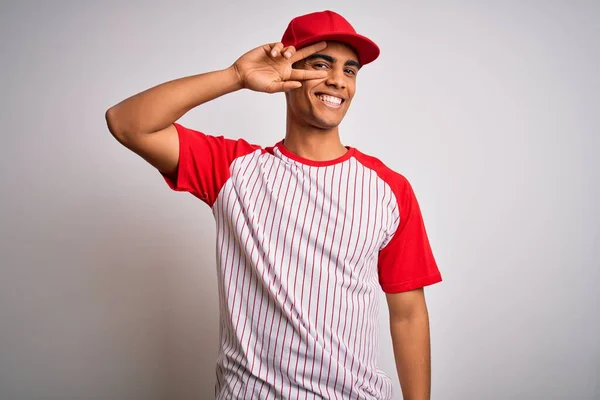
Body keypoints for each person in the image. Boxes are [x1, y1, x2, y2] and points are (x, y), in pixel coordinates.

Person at [105, 9, 442, 400]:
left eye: (350, 71)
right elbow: (126, 122)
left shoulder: (390, 189)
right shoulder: (231, 170)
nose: (338, 80)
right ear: (286, 71)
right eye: (321, 64)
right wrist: (234, 76)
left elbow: (408, 314)